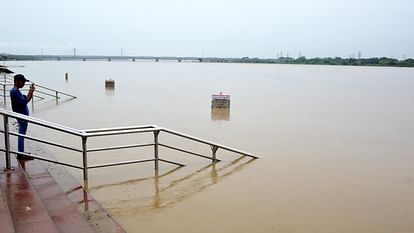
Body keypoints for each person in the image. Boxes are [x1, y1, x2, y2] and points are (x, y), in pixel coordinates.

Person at [9, 74, 35, 160]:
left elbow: (25, 99)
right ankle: (20, 154)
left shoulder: (16, 91)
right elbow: (24, 101)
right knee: (21, 134)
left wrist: (30, 93)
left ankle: (21, 152)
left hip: (22, 115)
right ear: (17, 81)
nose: (23, 83)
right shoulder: (14, 91)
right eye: (22, 82)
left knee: (22, 134)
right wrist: (30, 92)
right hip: (21, 116)